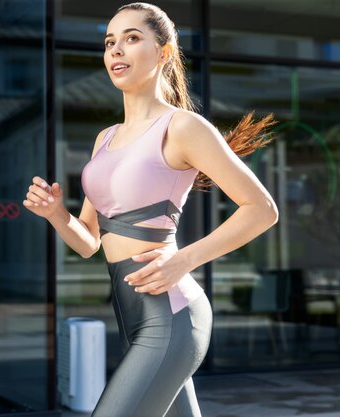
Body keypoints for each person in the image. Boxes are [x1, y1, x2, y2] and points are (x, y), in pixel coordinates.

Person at [23, 2, 278, 416]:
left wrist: (183, 260)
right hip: (132, 316)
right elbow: (89, 243)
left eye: (132, 38)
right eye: (110, 42)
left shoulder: (182, 127)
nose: (116, 50)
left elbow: (262, 209)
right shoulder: (105, 139)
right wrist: (57, 214)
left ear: (164, 53)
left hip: (172, 317)